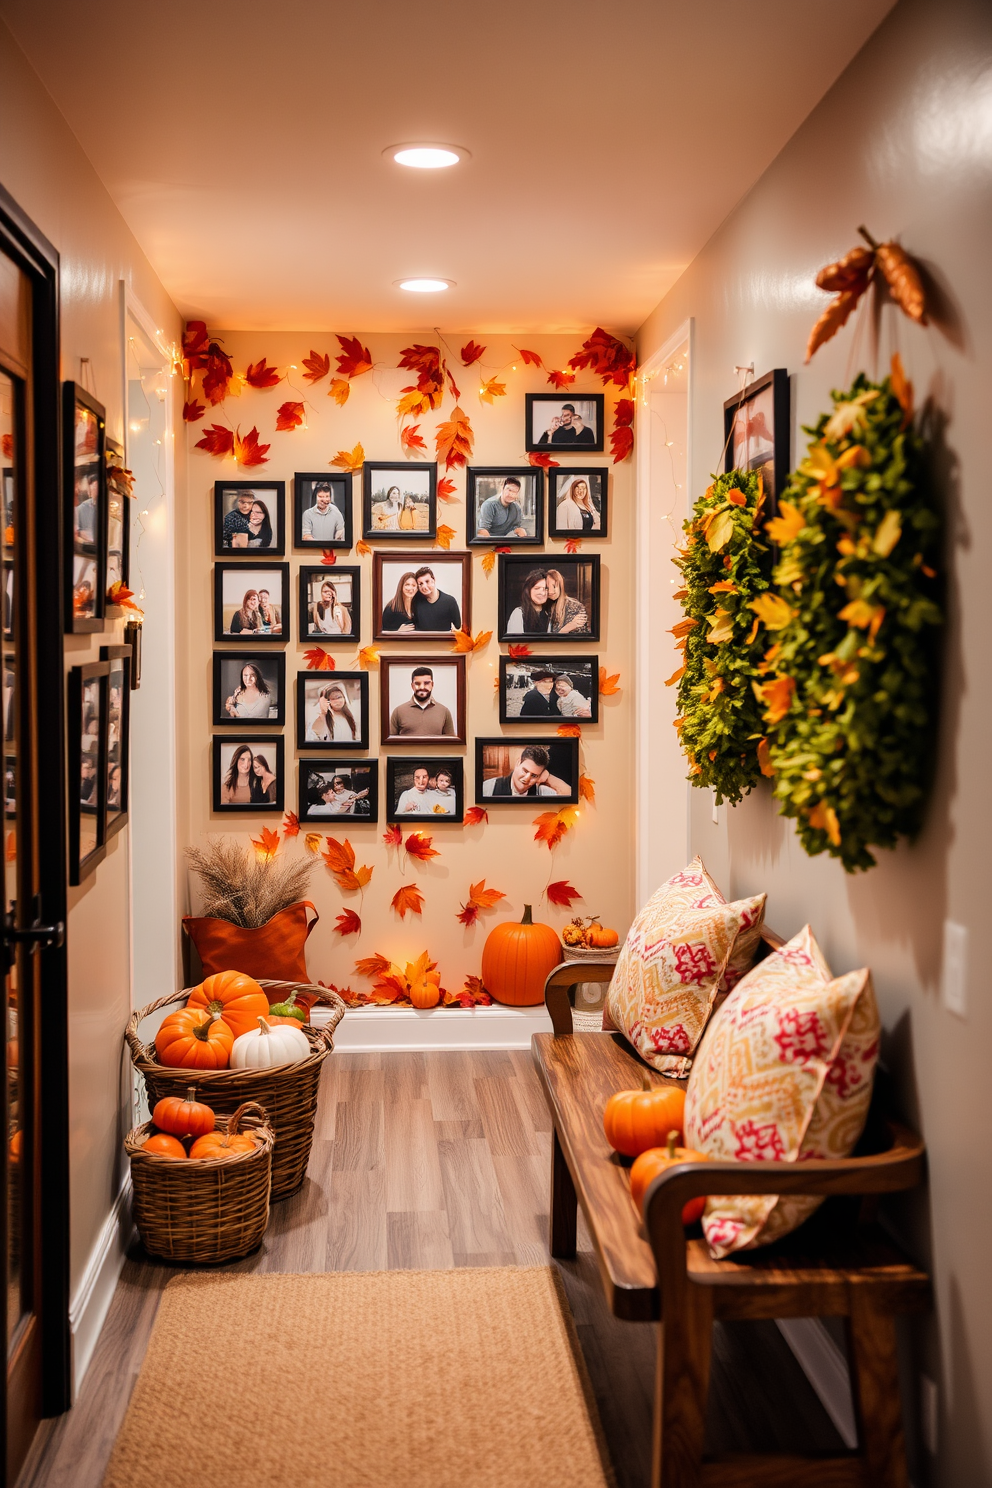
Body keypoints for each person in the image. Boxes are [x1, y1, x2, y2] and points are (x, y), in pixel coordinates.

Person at [482, 744, 571, 797]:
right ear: (518, 763)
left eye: (534, 775)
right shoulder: (490, 787)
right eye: (525, 771)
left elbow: (571, 796)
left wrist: (548, 777)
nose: (527, 778)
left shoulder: (542, 792)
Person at [389, 665, 455, 737]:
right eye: (417, 683)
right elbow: (389, 745)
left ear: (432, 684)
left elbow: (452, 744)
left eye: (426, 683)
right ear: (412, 686)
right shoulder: (398, 712)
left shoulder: (444, 711)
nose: (422, 687)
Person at [413, 566, 461, 632]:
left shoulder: (450, 601)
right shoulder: (415, 601)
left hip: (443, 641)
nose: (424, 586)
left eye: (427, 581)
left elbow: (458, 627)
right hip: (421, 641)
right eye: (421, 584)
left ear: (434, 579)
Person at [505, 569, 550, 635]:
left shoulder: (549, 615)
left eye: (546, 588)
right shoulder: (519, 613)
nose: (543, 593)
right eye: (537, 588)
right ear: (528, 590)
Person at [546, 569, 589, 634]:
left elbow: (581, 638)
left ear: (560, 586)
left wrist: (567, 628)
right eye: (547, 588)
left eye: (554, 586)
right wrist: (567, 628)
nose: (551, 591)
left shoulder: (574, 606)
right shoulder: (544, 606)